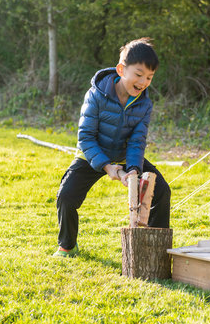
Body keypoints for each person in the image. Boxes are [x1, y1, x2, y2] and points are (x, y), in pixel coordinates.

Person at [53, 38, 171, 258]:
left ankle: (156, 248)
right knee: (66, 197)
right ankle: (67, 246)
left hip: (126, 156)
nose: (144, 82)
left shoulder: (144, 104)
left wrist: (133, 169)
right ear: (121, 69)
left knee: (162, 191)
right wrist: (109, 168)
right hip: (93, 154)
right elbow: (86, 138)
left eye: (149, 77)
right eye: (139, 74)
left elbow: (137, 141)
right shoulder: (96, 95)